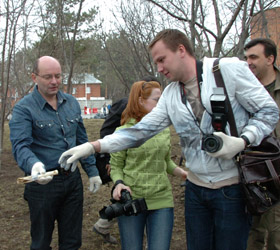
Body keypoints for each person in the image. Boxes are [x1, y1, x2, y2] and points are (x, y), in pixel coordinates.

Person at [59, 29, 279, 250]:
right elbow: (139, 132)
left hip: (232, 190)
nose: (159, 69)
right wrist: (92, 146)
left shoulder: (226, 70)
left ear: (181, 50)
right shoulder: (171, 94)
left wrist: (243, 141)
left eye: (162, 60)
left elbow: (269, 111)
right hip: (196, 191)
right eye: (156, 63)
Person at [9, 56, 102, 250]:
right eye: (48, 76)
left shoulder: (71, 103)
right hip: (43, 185)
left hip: (72, 182)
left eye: (58, 76)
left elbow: (82, 141)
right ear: (34, 77)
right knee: (41, 242)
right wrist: (33, 164)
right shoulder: (23, 109)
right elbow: (20, 145)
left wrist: (92, 171)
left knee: (72, 242)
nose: (54, 81)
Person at [93, 75, 162, 245]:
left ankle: (105, 223)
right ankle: (106, 221)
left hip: (130, 154)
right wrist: (110, 160)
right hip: (113, 154)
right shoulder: (124, 105)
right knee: (124, 189)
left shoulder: (154, 112)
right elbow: (107, 131)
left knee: (127, 189)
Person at [244, 38, 280, 250]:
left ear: (270, 58)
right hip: (253, 172)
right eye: (246, 57)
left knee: (276, 234)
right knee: (253, 233)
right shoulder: (244, 89)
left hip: (279, 171)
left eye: (254, 57)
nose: (248, 62)